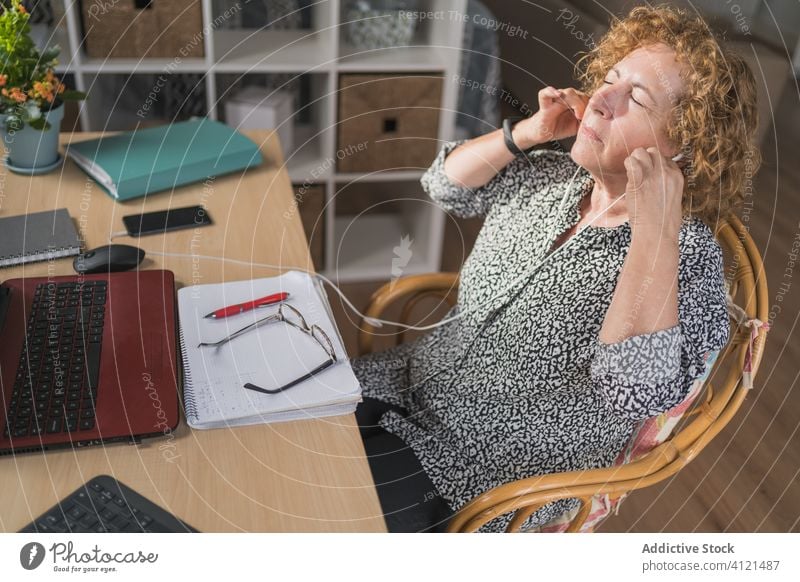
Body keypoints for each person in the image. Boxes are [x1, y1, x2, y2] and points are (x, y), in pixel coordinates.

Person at [351, 4, 761, 532]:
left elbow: (634, 389)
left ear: (682, 147)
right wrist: (525, 133)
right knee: (248, 437)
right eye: (609, 80)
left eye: (635, 97)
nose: (601, 101)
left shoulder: (688, 259)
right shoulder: (548, 176)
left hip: (475, 477)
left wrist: (655, 225)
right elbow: (443, 185)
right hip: (403, 384)